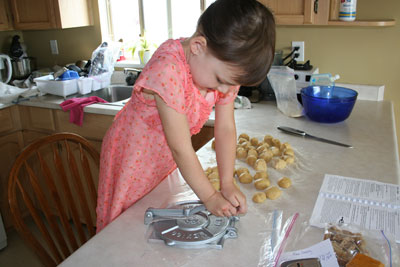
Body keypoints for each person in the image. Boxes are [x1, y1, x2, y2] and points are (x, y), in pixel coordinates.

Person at [96, 0, 276, 232]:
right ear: (198, 46)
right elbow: (181, 147)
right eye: (221, 80)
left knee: (155, 222)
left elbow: (225, 130)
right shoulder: (168, 69)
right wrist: (210, 196)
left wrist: (227, 183)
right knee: (126, 228)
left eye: (231, 84)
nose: (224, 90)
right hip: (133, 160)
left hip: (164, 159)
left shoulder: (223, 67)